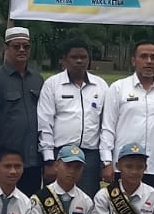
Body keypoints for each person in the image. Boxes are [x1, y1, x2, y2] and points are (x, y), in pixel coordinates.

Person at [100, 38, 154, 191]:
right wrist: (107, 162)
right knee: (122, 213)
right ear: (133, 61)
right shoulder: (118, 88)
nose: (149, 61)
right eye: (143, 56)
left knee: (152, 212)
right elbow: (108, 127)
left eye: (153, 57)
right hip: (123, 166)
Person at [0, 26, 46, 194]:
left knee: (30, 206)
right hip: (5, 161)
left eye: (26, 46)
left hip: (32, 160)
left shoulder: (37, 79)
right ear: (5, 48)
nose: (22, 50)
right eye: (16, 46)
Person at [38, 36, 109, 187]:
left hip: (90, 155)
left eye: (83, 57)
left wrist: (105, 160)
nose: (79, 61)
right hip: (60, 153)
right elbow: (45, 123)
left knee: (87, 202)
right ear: (64, 60)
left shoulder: (100, 85)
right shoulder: (52, 84)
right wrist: (49, 159)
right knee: (56, 203)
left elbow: (106, 125)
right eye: (74, 57)